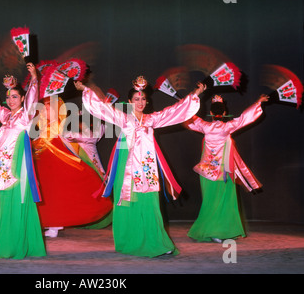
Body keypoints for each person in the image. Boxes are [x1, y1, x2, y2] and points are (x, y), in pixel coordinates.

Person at [74, 76, 206, 257]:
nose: (141, 102)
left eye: (143, 99)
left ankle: (157, 240)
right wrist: (85, 90)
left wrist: (195, 93)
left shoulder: (152, 119)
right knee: (128, 201)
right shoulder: (123, 118)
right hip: (127, 167)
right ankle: (128, 239)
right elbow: (102, 108)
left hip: (147, 167)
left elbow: (175, 111)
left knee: (149, 203)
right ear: (129, 101)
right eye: (136, 99)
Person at [0, 63, 46, 259]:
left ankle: (11, 245)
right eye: (8, 97)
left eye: (15, 96)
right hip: (0, 168)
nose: (10, 100)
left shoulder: (26, 116)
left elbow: (33, 100)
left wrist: (33, 79)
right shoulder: (6, 116)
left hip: (16, 167)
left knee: (15, 202)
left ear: (22, 98)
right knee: (0, 203)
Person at [183, 94, 269, 243]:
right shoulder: (228, 126)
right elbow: (244, 118)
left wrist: (184, 104)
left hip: (206, 171)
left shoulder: (205, 126)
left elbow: (189, 118)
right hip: (224, 171)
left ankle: (213, 230)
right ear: (224, 113)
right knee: (224, 201)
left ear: (210, 113)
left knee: (210, 202)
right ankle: (219, 231)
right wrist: (258, 102)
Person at [31, 95, 113, 237]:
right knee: (48, 194)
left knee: (59, 194)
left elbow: (84, 137)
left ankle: (55, 225)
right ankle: (51, 224)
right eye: (43, 109)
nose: (44, 111)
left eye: (48, 108)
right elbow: (39, 142)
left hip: (59, 163)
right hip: (46, 165)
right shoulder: (45, 127)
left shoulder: (59, 126)